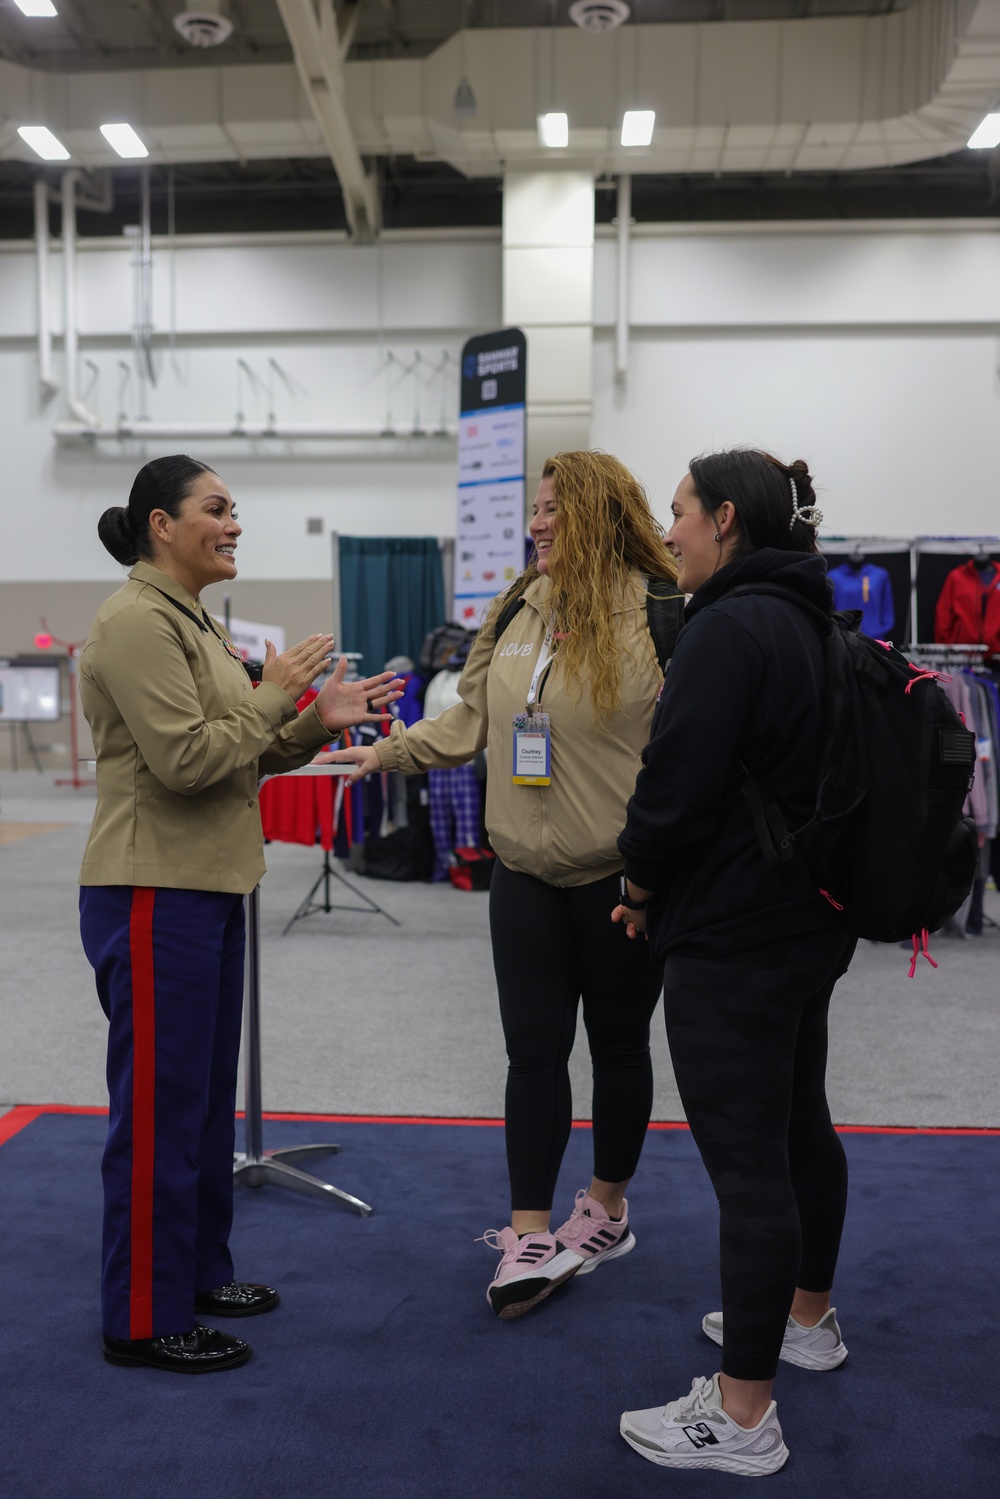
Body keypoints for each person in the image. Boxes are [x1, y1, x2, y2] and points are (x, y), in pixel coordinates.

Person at [326, 450, 683, 1318]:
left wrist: (661, 866)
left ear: (600, 511)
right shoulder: (519, 603)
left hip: (620, 877)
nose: (538, 523)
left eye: (555, 508)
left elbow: (692, 750)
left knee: (620, 1044)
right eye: (535, 508)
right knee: (532, 1048)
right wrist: (388, 749)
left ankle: (604, 1208)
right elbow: (471, 716)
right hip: (522, 868)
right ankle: (528, 1231)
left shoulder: (667, 612)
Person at [79, 454, 402, 1374]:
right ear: (160, 525)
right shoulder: (137, 621)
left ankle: (195, 1273)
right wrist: (273, 695)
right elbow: (185, 761)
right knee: (159, 1112)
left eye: (235, 510)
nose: (234, 524)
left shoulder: (192, 621)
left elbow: (240, 754)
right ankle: (141, 1317)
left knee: (200, 1105)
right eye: (216, 509)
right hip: (153, 889)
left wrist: (313, 719)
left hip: (206, 887)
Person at [613, 449, 855, 1476]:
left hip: (733, 932)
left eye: (676, 514)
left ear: (723, 517)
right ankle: (806, 1317)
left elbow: (675, 783)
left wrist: (635, 885)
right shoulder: (815, 620)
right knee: (800, 1121)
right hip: (807, 923)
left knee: (748, 1162)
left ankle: (744, 1413)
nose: (667, 533)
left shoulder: (725, 627)